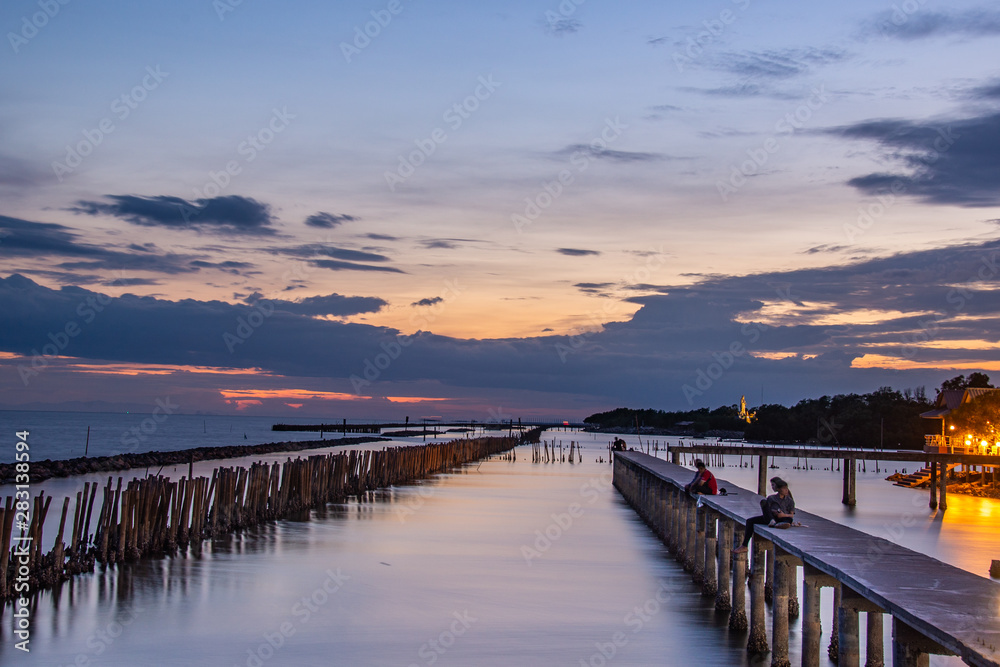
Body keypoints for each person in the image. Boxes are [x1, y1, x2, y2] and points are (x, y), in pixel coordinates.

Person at [732, 477, 796, 553]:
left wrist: (783, 515)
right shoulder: (771, 498)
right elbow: (767, 510)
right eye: (784, 489)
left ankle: (781, 524)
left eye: (786, 489)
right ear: (778, 489)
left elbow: (791, 515)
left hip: (783, 518)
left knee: (788, 520)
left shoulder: (790, 501)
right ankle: (744, 546)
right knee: (750, 520)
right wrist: (774, 511)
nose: (786, 490)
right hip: (771, 518)